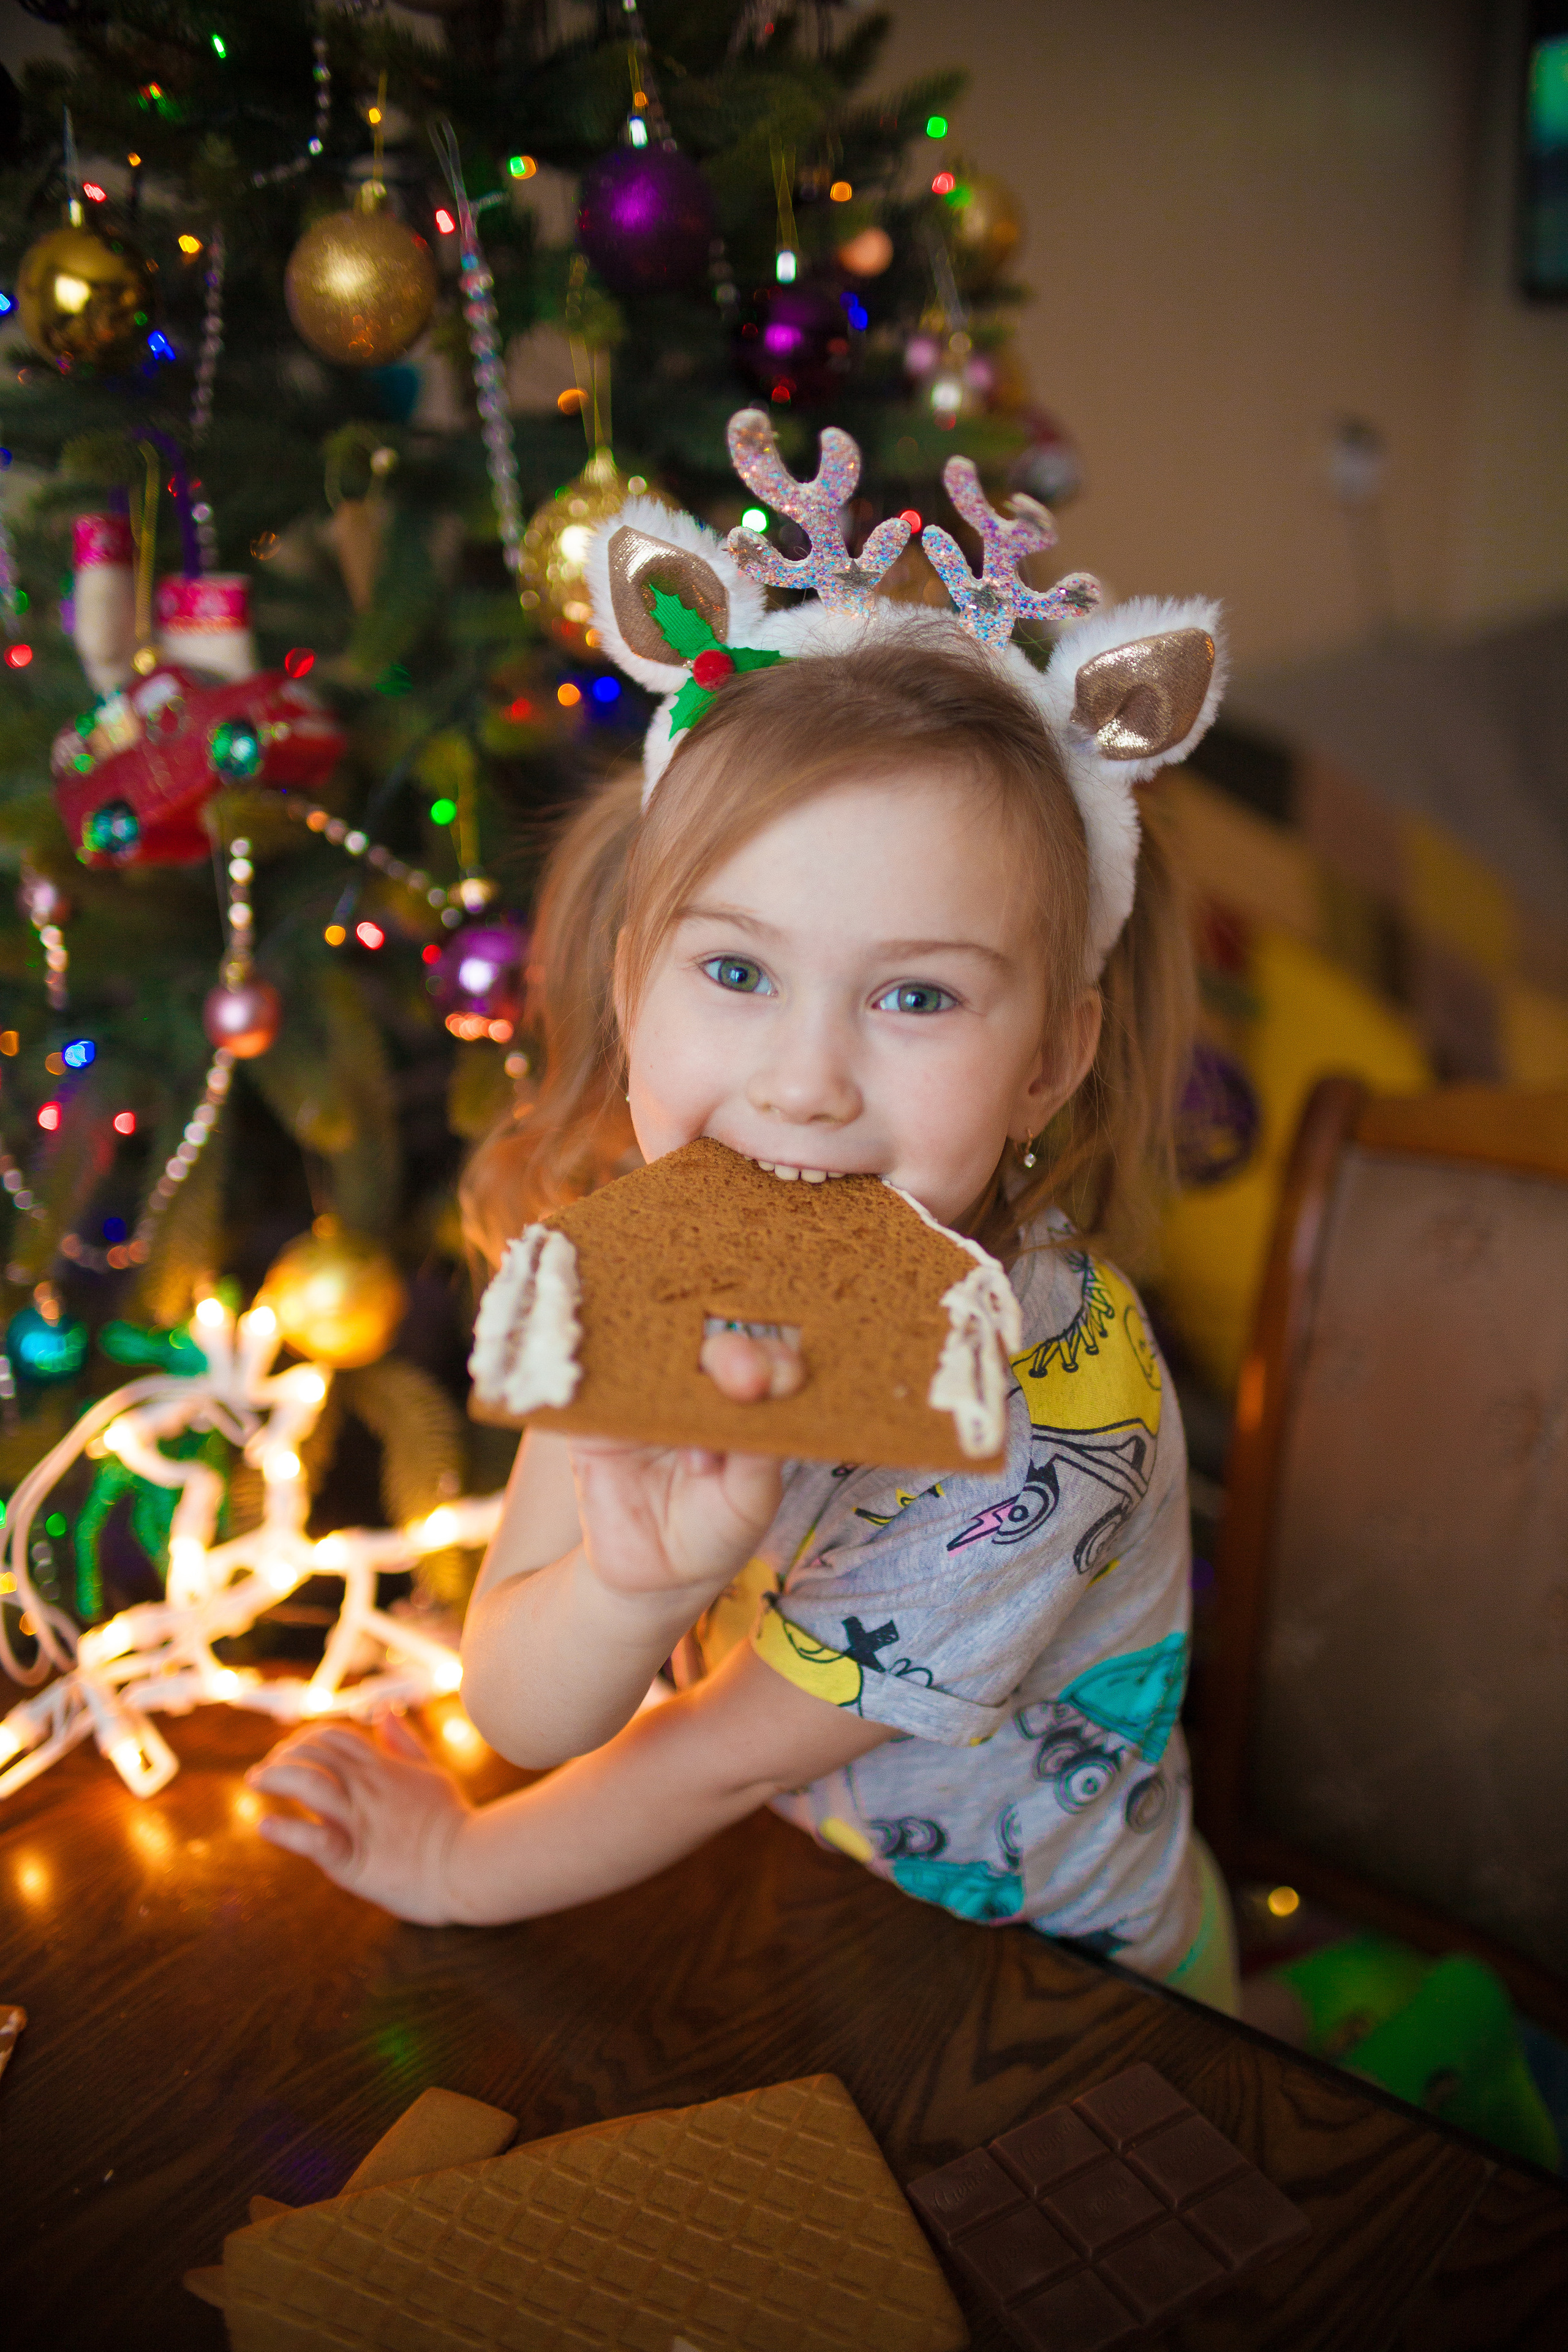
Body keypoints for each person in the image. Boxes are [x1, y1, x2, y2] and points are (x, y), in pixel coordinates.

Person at [248, 418, 1240, 2013]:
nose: (806, 1082)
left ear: (1051, 1055)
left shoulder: (1049, 1426)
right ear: (636, 981)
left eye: (915, 994)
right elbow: (520, 1694)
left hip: (1072, 1999)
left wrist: (450, 1870)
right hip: (805, 1918)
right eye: (737, 972)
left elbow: (706, 1761)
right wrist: (631, 1586)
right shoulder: (647, 1254)